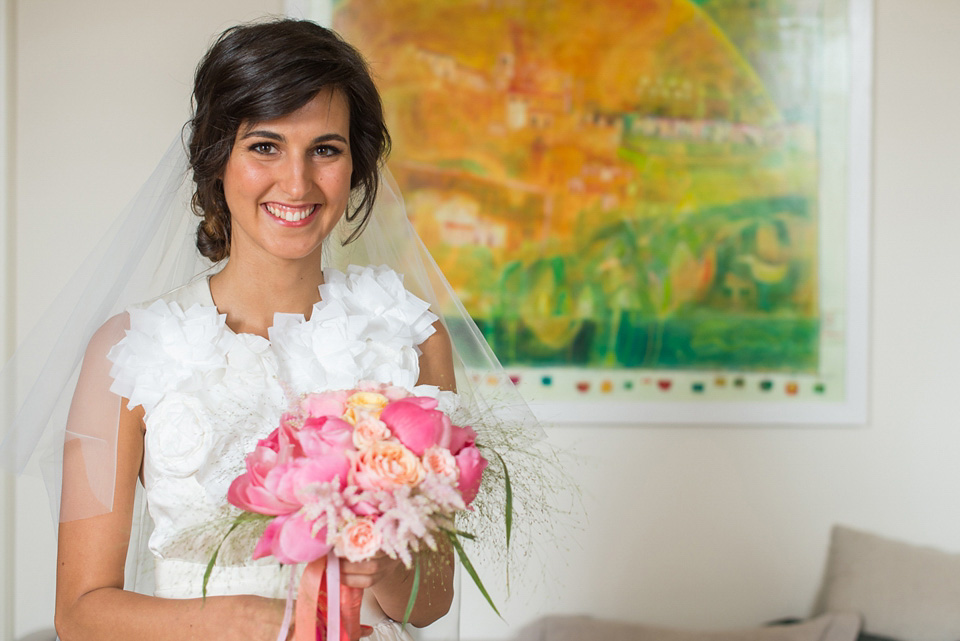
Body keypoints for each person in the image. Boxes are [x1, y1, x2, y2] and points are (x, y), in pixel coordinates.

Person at [49, 18, 461, 641]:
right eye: (264, 146)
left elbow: (431, 604)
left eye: (326, 149)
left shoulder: (412, 340)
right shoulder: (125, 351)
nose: (296, 183)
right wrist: (239, 620)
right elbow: (78, 612)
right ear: (218, 158)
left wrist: (378, 561)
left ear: (356, 166)